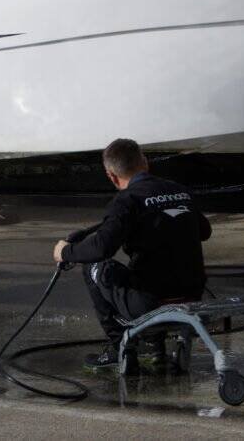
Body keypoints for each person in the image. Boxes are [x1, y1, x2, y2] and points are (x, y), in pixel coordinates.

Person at [53, 138, 212, 370]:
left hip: (151, 302)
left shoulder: (126, 200)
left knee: (95, 267)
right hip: (193, 295)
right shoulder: (179, 190)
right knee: (156, 265)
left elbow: (101, 248)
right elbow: (205, 232)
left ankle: (119, 347)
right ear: (145, 163)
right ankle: (155, 347)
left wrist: (66, 252)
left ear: (111, 176)